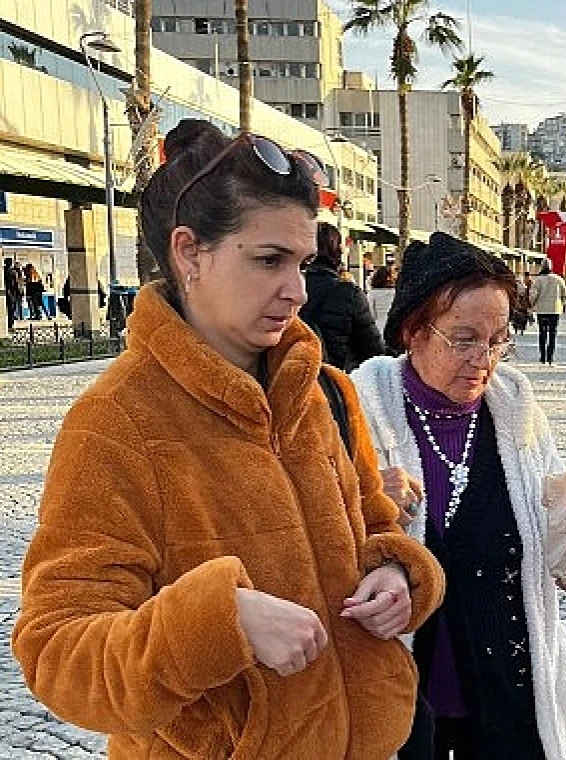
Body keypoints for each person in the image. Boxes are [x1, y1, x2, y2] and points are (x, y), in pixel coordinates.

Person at [11, 119, 445, 758]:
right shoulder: (116, 423)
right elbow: (58, 654)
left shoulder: (324, 390)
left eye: (301, 263)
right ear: (190, 254)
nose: (296, 290)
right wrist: (219, 624)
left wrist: (398, 575)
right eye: (269, 260)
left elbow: (375, 526)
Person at [351, 232, 566, 759]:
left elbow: (564, 556)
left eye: (498, 339)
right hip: (400, 691)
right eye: (463, 338)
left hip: (507, 686)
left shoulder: (518, 415)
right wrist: (359, 499)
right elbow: (307, 546)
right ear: (413, 329)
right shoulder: (358, 413)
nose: (484, 359)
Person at [299, 221, 385, 372]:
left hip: (286, 383)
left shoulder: (286, 289)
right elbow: (373, 352)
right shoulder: (348, 293)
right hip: (332, 384)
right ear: (336, 251)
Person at [527, 263, 566, 365]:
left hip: (541, 310)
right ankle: (550, 358)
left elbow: (533, 295)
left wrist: (531, 306)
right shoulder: (558, 279)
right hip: (554, 310)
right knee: (552, 334)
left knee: (542, 334)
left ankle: (542, 358)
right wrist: (562, 304)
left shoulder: (538, 280)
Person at [368, 264, 398, 333]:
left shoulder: (372, 293)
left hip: (378, 327)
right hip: (394, 328)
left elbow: (371, 313)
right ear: (388, 277)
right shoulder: (397, 292)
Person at [3, 257, 21, 329]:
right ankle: (10, 325)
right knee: (11, 309)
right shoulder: (13, 272)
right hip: (11, 292)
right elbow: (16, 283)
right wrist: (18, 292)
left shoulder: (2, 270)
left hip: (5, 292)